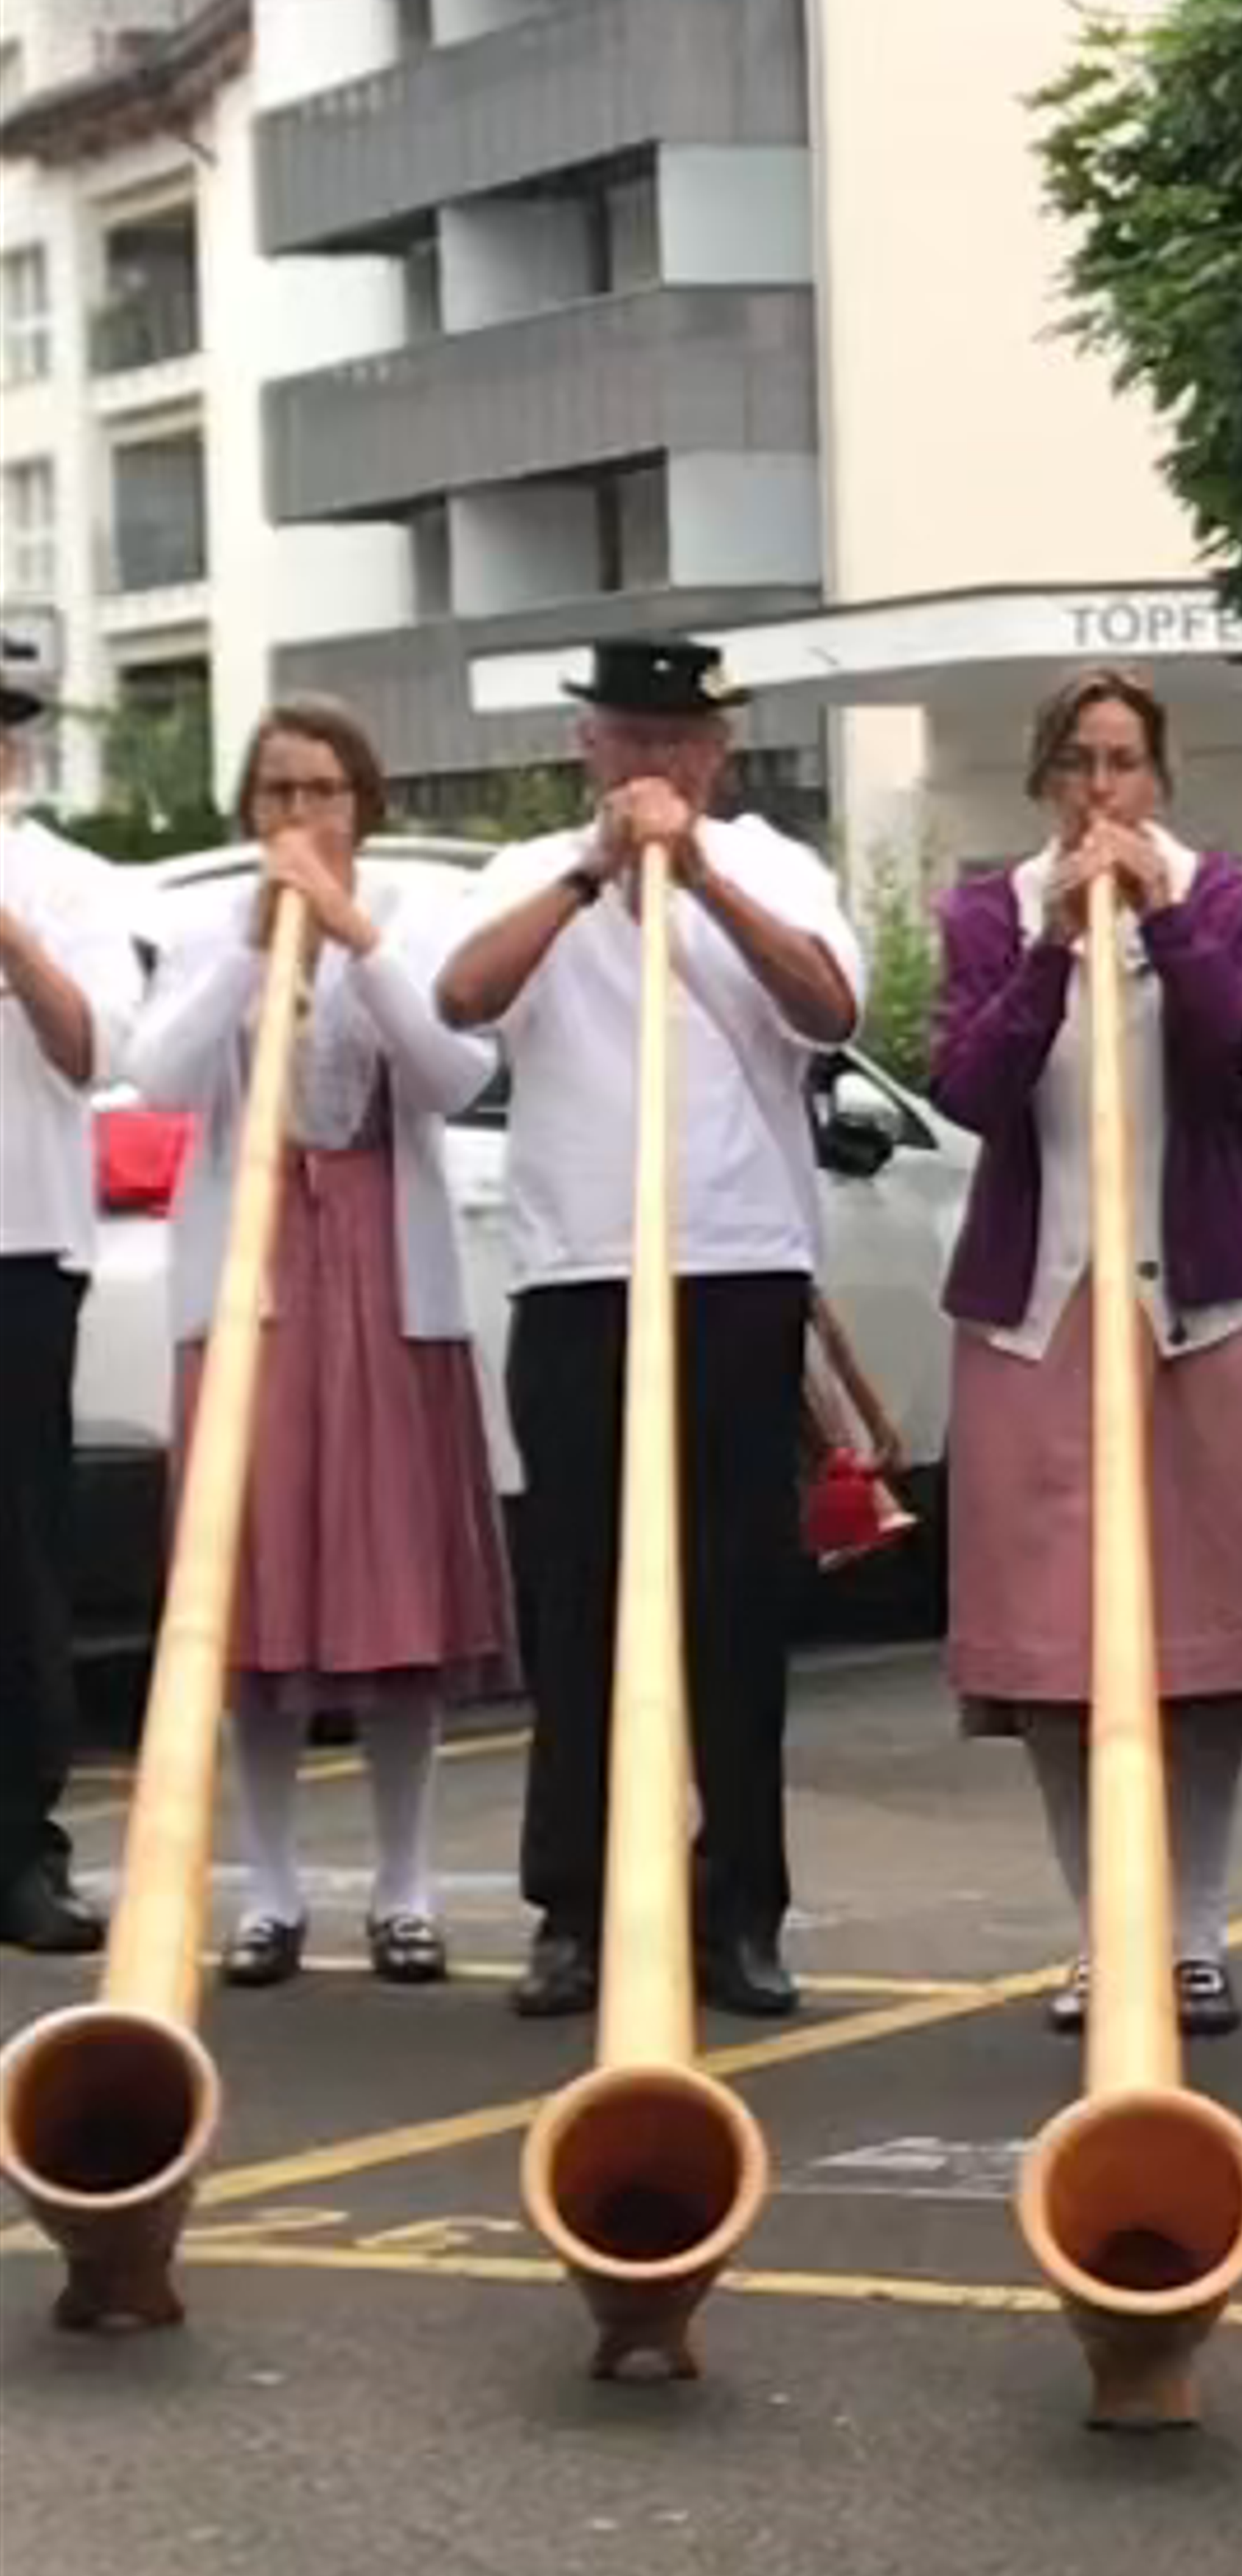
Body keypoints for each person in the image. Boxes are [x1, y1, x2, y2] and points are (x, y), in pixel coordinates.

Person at [434, 639, 860, 2025]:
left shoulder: (775, 866)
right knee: (582, 1600)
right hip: (579, 1273)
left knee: (735, 1601)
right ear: (589, 750)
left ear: (717, 756)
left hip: (738, 1266)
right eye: (631, 742)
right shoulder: (532, 875)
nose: (655, 770)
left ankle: (739, 1907)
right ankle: (573, 1910)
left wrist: (706, 880)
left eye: (680, 746)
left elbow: (831, 1008)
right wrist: (591, 875)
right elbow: (462, 1001)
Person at [931, 672, 1242, 2036]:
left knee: (1200, 1644)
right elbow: (970, 1092)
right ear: (1046, 780)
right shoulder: (991, 911)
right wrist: (1049, 952)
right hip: (1043, 1311)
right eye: (1079, 766)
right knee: (1060, 1649)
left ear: (1160, 778)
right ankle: (1106, 1932)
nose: (1103, 792)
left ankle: (1198, 1928)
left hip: (1203, 1304)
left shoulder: (1221, 902)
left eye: (1126, 764)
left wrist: (1165, 929)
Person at [129, 698, 515, 1986]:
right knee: (251, 1597)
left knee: (392, 1588)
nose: (301, 818)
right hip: (251, 1284)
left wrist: (354, 939)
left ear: (366, 805)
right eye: (280, 793)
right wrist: (253, 955)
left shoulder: (416, 920)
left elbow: (458, 1077)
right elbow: (164, 1077)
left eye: (325, 793)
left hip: (386, 1272)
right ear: (251, 810)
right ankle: (273, 1883)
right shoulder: (199, 926)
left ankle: (406, 1882)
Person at [0, 628, 142, 1956]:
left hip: (17, 1251)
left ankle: (19, 1847)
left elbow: (96, 1047)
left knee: (17, 1560)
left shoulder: (69, 884)